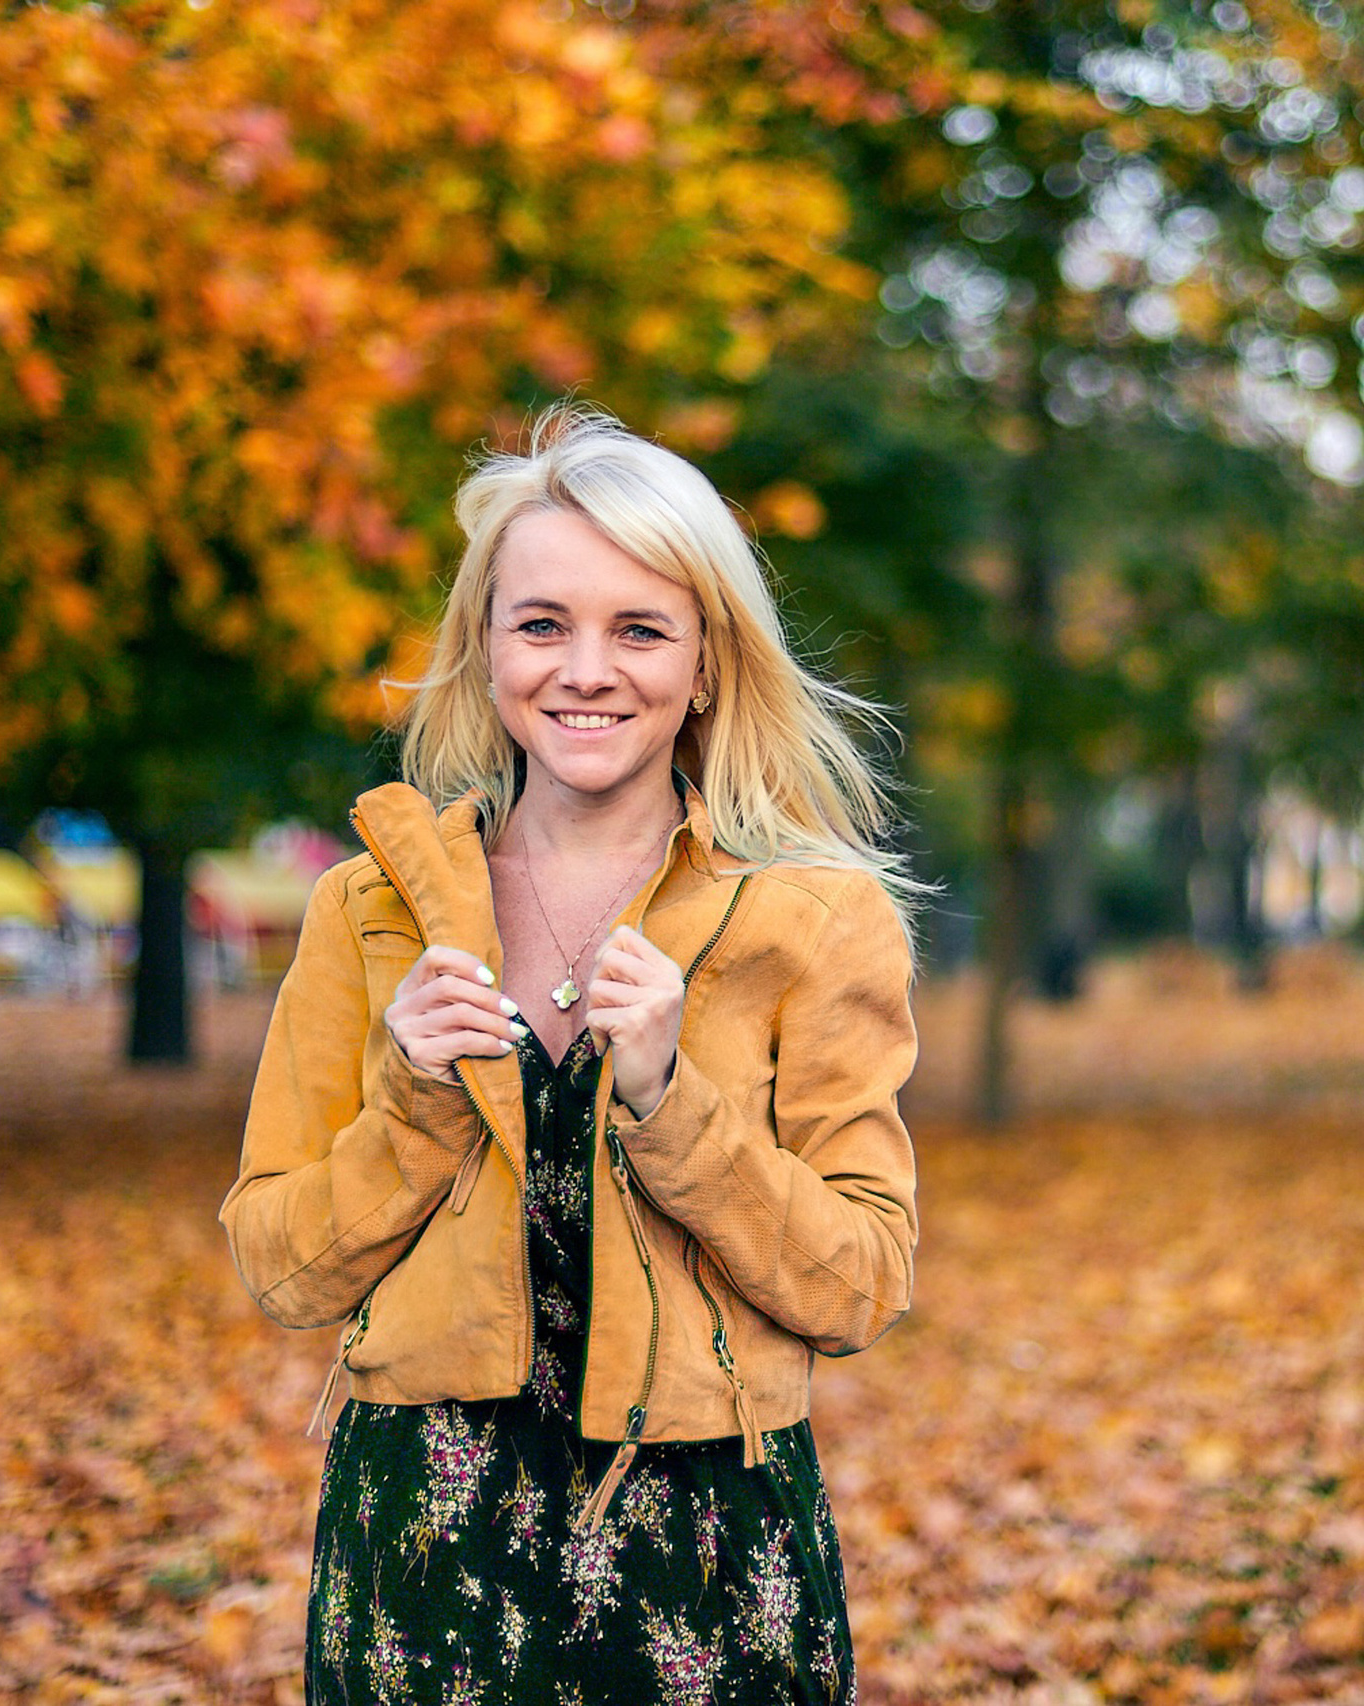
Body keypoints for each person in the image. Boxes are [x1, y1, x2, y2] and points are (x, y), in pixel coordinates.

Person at [221, 404, 920, 1705]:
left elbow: (863, 1282)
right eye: (543, 623)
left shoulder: (813, 921)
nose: (586, 668)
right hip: (421, 1565)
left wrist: (669, 1097)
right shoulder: (366, 913)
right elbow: (283, 1267)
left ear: (706, 663)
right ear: (486, 650)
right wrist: (416, 1104)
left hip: (705, 1573)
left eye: (640, 628)